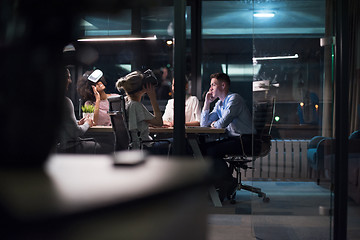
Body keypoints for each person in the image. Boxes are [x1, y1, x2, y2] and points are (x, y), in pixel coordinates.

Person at [200, 72, 255, 201]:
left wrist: (215, 124)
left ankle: (228, 182)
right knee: (204, 149)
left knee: (211, 151)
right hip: (234, 139)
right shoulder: (219, 104)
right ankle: (225, 182)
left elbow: (221, 124)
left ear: (223, 85)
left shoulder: (234, 99)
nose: (211, 88)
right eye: (211, 85)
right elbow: (204, 123)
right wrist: (207, 103)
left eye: (213, 85)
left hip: (245, 140)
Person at [115, 70, 171, 155]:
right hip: (145, 147)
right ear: (140, 89)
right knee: (179, 141)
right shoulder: (136, 105)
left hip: (135, 146)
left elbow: (136, 123)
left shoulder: (127, 103)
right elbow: (159, 123)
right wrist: (152, 97)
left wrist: (149, 123)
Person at [56, 68, 98, 154]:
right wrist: (87, 124)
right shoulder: (65, 102)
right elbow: (76, 132)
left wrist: (77, 123)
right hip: (68, 148)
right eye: (68, 77)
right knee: (105, 147)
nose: (70, 81)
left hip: (58, 148)